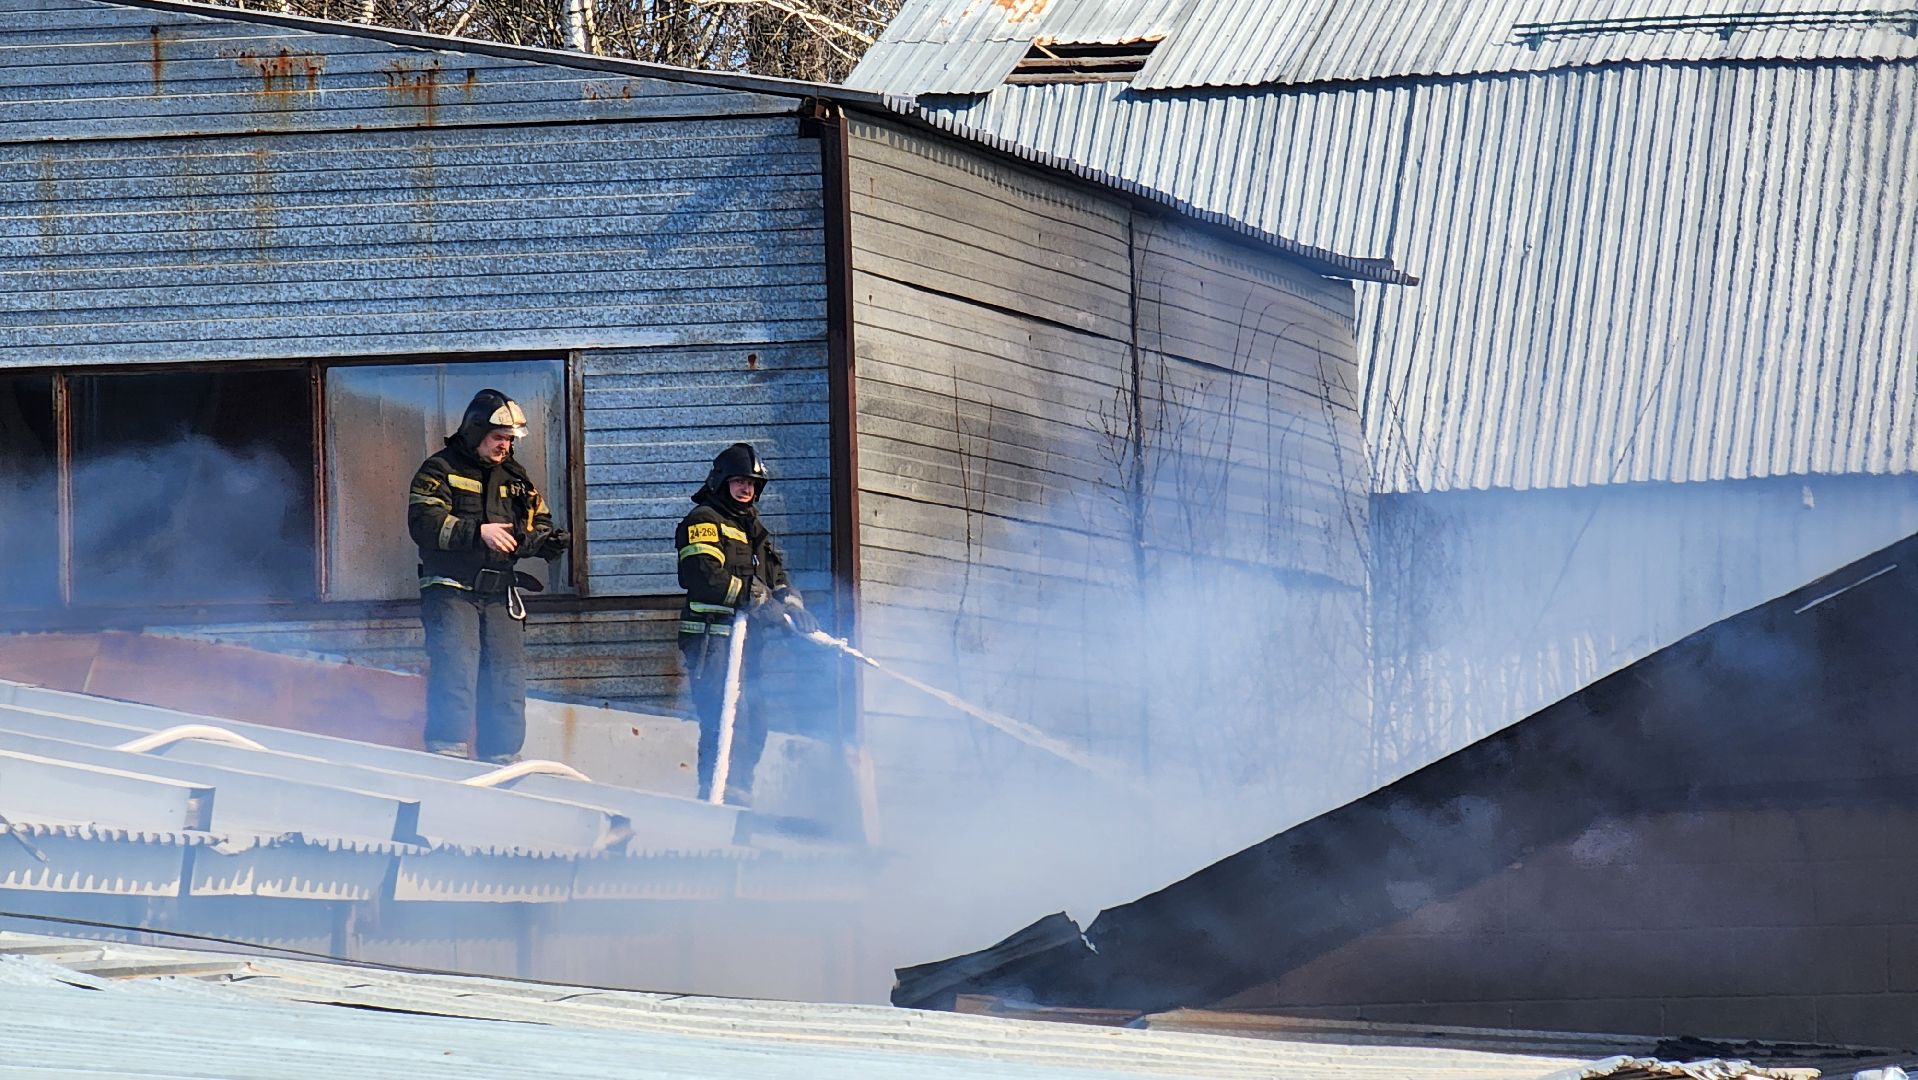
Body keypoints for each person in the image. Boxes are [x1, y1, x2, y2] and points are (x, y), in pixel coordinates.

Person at [407, 389, 569, 763]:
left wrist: (543, 542)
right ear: (477, 431)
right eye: (499, 438)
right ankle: (447, 753)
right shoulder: (439, 469)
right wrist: (478, 531)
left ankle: (503, 759)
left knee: (506, 679)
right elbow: (423, 522)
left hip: (499, 594)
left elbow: (537, 520)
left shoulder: (515, 477)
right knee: (456, 669)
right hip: (450, 590)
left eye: (510, 440)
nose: (505, 447)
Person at [675, 442, 818, 805]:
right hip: (714, 642)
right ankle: (716, 794)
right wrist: (757, 601)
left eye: (752, 483)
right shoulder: (704, 521)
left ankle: (739, 791)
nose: (746, 489)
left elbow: (777, 577)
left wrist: (793, 605)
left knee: (755, 722)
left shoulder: (754, 530)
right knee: (724, 720)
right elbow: (704, 575)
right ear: (722, 481)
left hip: (748, 645)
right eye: (739, 480)